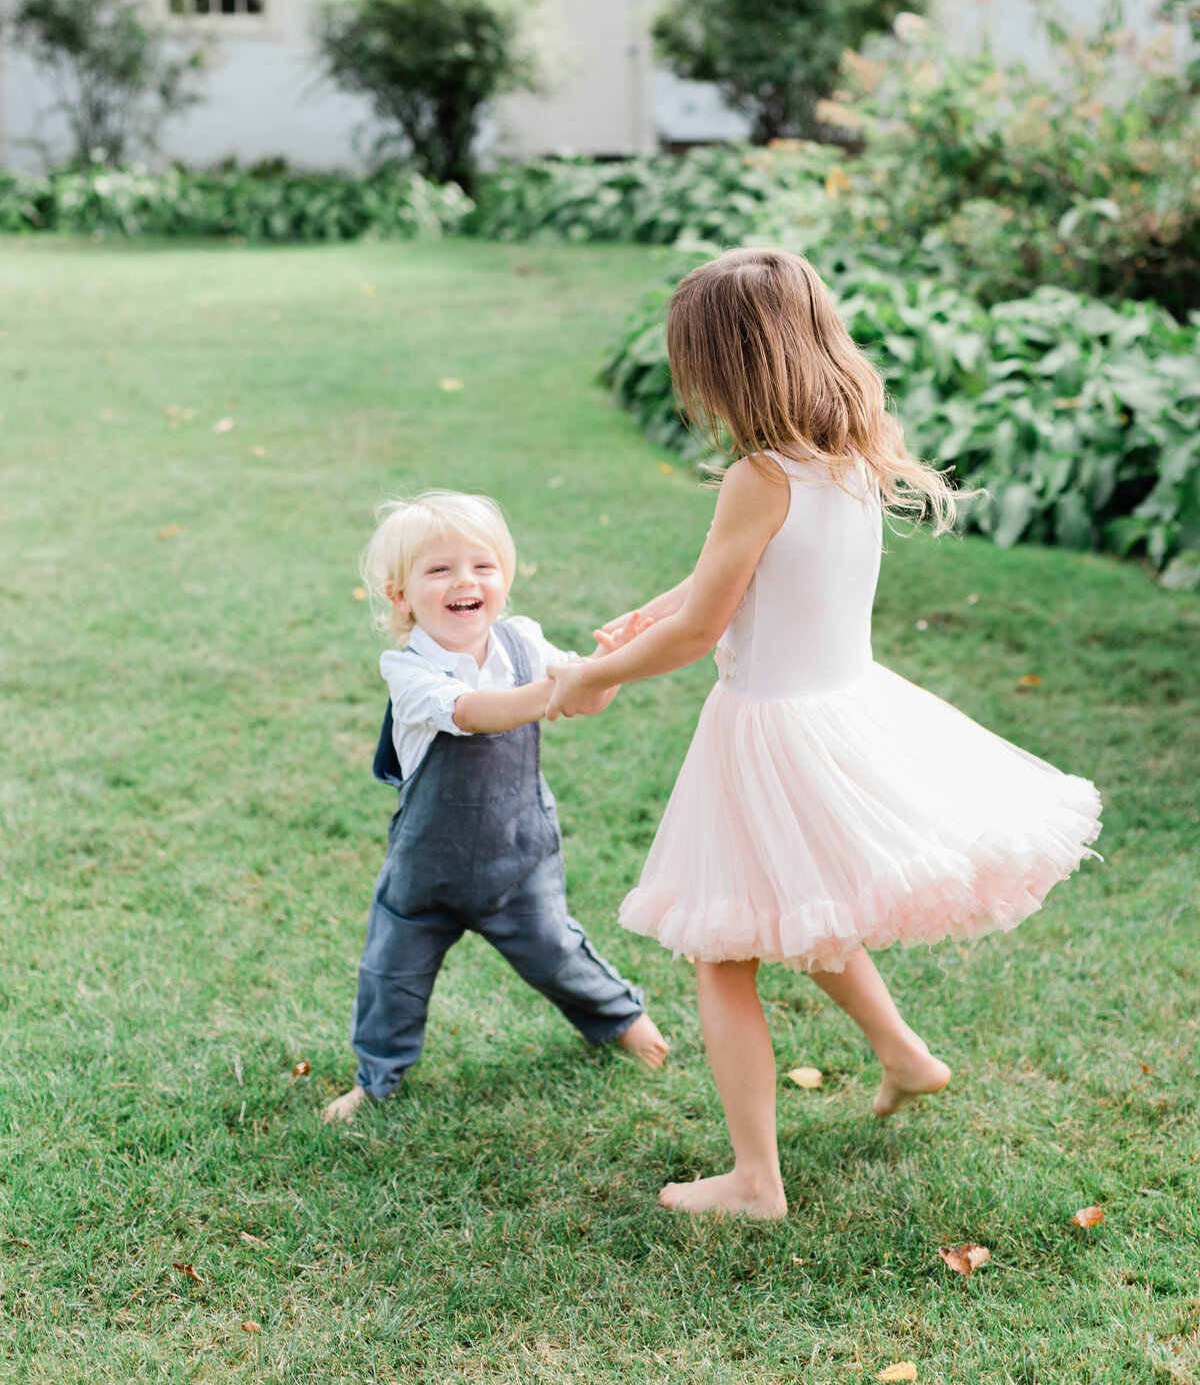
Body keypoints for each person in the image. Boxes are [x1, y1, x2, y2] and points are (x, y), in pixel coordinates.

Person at [546, 248, 1100, 1219]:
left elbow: (707, 627)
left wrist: (594, 676)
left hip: (770, 733)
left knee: (725, 954)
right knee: (807, 908)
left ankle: (756, 1181)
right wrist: (646, 613)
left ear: (725, 367)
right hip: (842, 711)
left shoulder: (758, 475)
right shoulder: (844, 457)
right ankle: (905, 1055)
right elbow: (729, 579)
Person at [324, 490, 668, 1124]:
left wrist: (607, 668)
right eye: (439, 569)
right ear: (400, 596)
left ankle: (624, 1019)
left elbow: (585, 700)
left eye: (483, 565)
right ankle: (376, 1078)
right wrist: (561, 687)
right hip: (426, 873)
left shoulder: (523, 644)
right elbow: (473, 715)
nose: (466, 581)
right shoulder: (408, 669)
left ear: (504, 577)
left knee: (558, 952)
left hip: (518, 858)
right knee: (389, 976)